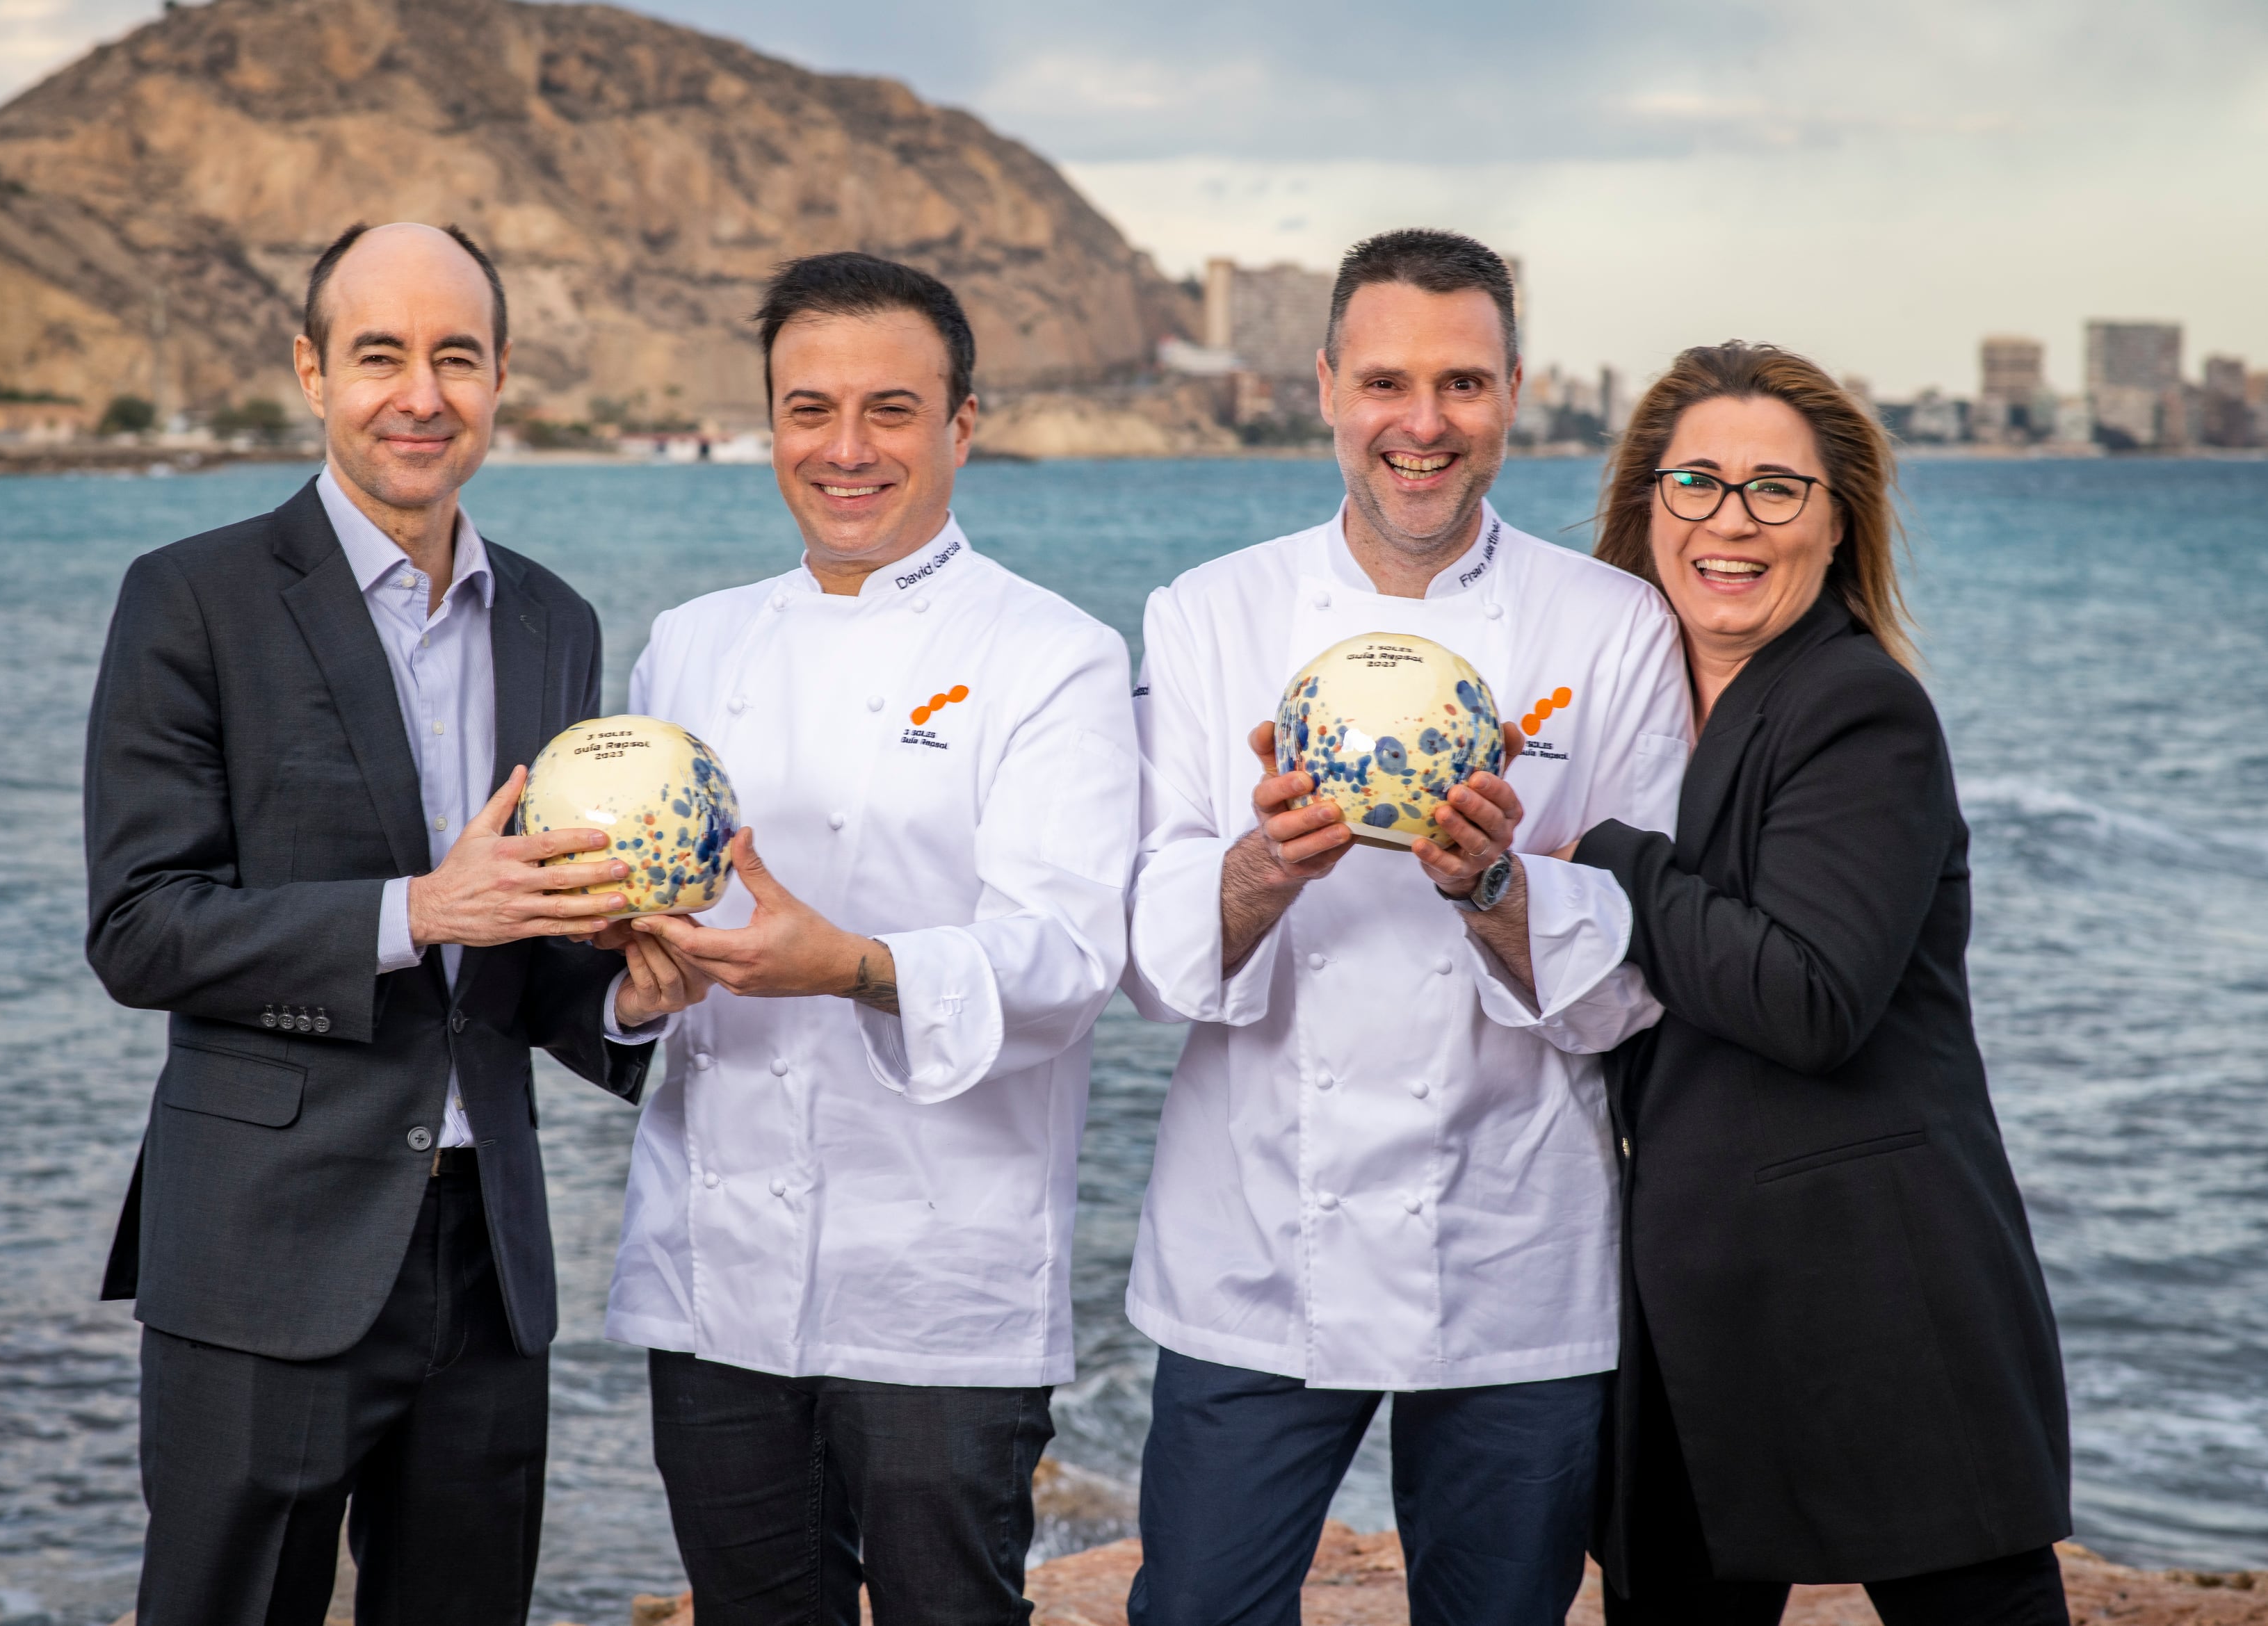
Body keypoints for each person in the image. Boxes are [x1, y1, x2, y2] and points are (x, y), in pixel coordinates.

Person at [84, 221, 702, 1626]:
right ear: (312, 370)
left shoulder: (553, 619)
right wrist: (417, 908)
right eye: (380, 355)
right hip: (262, 1252)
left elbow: (525, 951)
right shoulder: (191, 599)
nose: (419, 394)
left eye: (456, 358)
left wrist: (623, 1001)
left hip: (488, 1270)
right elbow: (140, 929)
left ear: (499, 381)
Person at [1121, 228, 1696, 1626]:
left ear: (1514, 391)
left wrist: (1491, 887)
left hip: (1510, 1237)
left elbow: (1643, 968)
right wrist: (1265, 868)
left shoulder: (1611, 626)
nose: (1420, 424)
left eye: (1461, 383)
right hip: (1254, 1233)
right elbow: (1142, 951)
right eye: (1384, 382)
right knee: (1193, 1611)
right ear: (1323, 386)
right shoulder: (1207, 615)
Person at [596, 252, 1139, 1624]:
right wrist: (633, 976)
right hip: (712, 1270)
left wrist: (850, 963)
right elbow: (650, 909)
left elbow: (1067, 960)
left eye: (890, 410)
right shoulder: (688, 646)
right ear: (768, 423)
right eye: (808, 408)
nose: (846, 450)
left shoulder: (1050, 655)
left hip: (937, 1275)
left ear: (961, 426)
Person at [1569, 341, 2072, 1624]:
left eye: (1776, 491)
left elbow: (1811, 997)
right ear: (1645, 510)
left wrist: (1611, 867)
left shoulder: (1860, 709)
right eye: (1695, 484)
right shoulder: (1633, 717)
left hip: (1876, 1294)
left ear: (1837, 524)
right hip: (1689, 1303)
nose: (1729, 521)